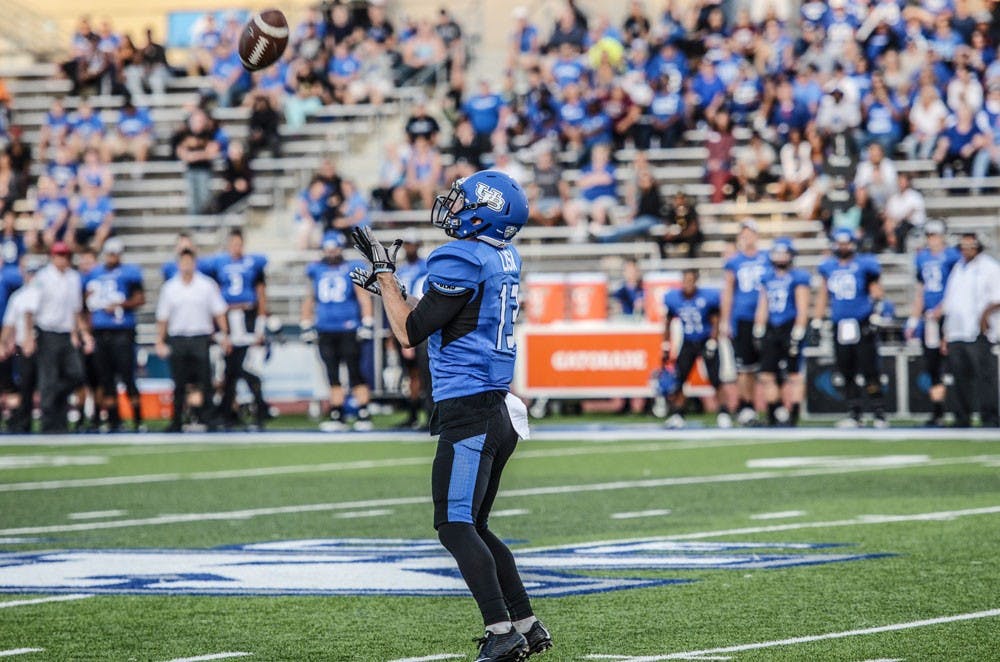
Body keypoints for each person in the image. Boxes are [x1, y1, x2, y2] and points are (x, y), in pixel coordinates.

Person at [348, 170, 551, 661]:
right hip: (494, 408)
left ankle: (502, 631)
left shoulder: (460, 256)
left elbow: (410, 333)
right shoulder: (498, 254)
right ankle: (526, 623)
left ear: (485, 211)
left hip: (471, 411)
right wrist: (389, 290)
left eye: (463, 203)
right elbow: (441, 315)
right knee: (474, 524)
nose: (453, 208)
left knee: (455, 525)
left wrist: (385, 275)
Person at [813, 229, 888, 428]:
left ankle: (878, 412)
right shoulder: (828, 267)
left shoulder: (864, 264)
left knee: (869, 368)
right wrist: (817, 320)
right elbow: (823, 294)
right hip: (840, 325)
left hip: (861, 322)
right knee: (846, 369)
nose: (843, 246)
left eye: (846, 243)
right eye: (840, 243)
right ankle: (854, 412)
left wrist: (876, 313)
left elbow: (877, 292)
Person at [301, 231, 375, 432]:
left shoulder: (351, 268)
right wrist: (306, 323)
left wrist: (367, 321)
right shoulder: (316, 270)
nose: (332, 253)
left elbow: (363, 296)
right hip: (325, 328)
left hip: (349, 327)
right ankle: (337, 413)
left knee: (355, 371)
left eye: (335, 249)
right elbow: (310, 298)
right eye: (329, 249)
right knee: (332, 373)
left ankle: (363, 411)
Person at [155, 248, 231, 433]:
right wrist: (160, 340)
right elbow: (163, 317)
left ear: (194, 263)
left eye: (190, 262)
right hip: (178, 338)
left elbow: (219, 311)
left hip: (200, 337)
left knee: (205, 380)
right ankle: (177, 420)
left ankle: (208, 417)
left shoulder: (206, 285)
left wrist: (224, 334)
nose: (187, 265)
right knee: (179, 382)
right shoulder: (170, 287)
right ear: (178, 264)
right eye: (183, 262)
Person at [24, 242, 93, 433]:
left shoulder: (73, 278)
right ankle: (50, 422)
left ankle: (58, 414)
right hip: (47, 332)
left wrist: (81, 333)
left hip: (65, 333)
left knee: (75, 374)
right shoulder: (43, 278)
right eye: (59, 255)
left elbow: (76, 310)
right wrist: (29, 336)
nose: (62, 259)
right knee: (48, 378)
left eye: (65, 255)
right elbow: (30, 309)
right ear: (53, 257)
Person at [208, 229, 270, 429]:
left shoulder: (254, 263)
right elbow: (215, 293)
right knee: (231, 370)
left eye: (239, 243)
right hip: (228, 319)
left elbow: (261, 294)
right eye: (233, 243)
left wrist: (261, 325)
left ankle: (255, 409)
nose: (236, 247)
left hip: (248, 318)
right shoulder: (219, 264)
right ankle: (231, 412)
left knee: (245, 369)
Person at [82, 237, 145, 432]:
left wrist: (120, 305)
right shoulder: (94, 274)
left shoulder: (129, 273)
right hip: (101, 333)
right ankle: (113, 420)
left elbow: (139, 298)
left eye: (115, 253)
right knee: (105, 379)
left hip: (122, 332)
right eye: (109, 253)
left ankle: (137, 420)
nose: (112, 257)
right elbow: (85, 303)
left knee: (127, 378)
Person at [941, 232, 1000, 427]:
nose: (966, 250)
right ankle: (962, 415)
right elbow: (951, 302)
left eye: (970, 246)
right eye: (963, 247)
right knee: (959, 376)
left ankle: (990, 415)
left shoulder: (989, 267)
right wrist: (946, 333)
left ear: (979, 247)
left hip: (978, 331)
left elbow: (996, 298)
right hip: (958, 330)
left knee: (984, 375)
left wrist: (984, 317)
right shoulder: (958, 268)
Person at [907, 220, 961, 427]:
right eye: (929, 235)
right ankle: (937, 411)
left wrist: (943, 307)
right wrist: (914, 318)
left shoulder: (953, 257)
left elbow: (958, 286)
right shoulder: (922, 258)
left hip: (949, 317)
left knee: (952, 363)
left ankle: (958, 410)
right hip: (929, 319)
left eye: (936, 235)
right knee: (932, 365)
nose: (933, 239)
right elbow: (921, 290)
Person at [661, 269, 731, 429]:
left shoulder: (707, 297)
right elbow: (668, 321)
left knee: (715, 378)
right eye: (685, 280)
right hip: (688, 342)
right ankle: (678, 414)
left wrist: (713, 341)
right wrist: (665, 345)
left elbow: (715, 320)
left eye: (691, 280)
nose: (688, 284)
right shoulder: (673, 298)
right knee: (680, 379)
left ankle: (723, 412)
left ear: (696, 281)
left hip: (705, 340)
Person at [753, 238, 811, 426]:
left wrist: (799, 329)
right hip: (772, 328)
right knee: (767, 374)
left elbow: (802, 307)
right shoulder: (768, 277)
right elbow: (763, 304)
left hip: (789, 326)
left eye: (784, 253)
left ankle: (792, 415)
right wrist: (759, 327)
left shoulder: (798, 277)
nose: (780, 257)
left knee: (794, 374)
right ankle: (774, 413)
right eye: (777, 253)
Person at [721, 220, 769, 425]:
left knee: (766, 367)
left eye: (750, 233)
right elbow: (728, 291)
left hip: (766, 319)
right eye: (744, 234)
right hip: (742, 318)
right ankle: (745, 406)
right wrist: (725, 320)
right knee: (744, 367)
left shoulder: (767, 259)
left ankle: (774, 408)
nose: (747, 238)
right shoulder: (735, 261)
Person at [394, 231, 430, 429]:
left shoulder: (426, 268)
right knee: (411, 374)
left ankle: (429, 414)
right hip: (402, 322)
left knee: (427, 373)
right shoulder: (401, 270)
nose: (410, 248)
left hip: (421, 323)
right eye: (407, 244)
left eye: (413, 244)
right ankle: (413, 413)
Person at [2, 256, 41, 433]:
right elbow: (9, 323)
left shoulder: (44, 294)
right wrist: (3, 342)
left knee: (48, 384)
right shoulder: (18, 295)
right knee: (23, 386)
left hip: (45, 345)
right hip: (22, 347)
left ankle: (53, 419)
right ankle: (22, 422)